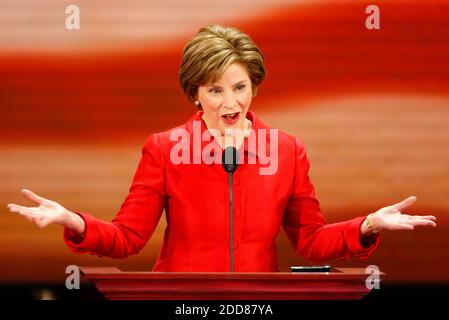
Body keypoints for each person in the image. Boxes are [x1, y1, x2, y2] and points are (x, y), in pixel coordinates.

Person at [7, 25, 436, 272]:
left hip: (256, 302)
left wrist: (367, 225)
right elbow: (128, 238)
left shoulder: (287, 151)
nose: (230, 103)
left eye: (240, 87)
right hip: (181, 301)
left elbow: (309, 240)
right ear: (195, 94)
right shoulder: (163, 148)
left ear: (254, 87)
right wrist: (73, 221)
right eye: (215, 90)